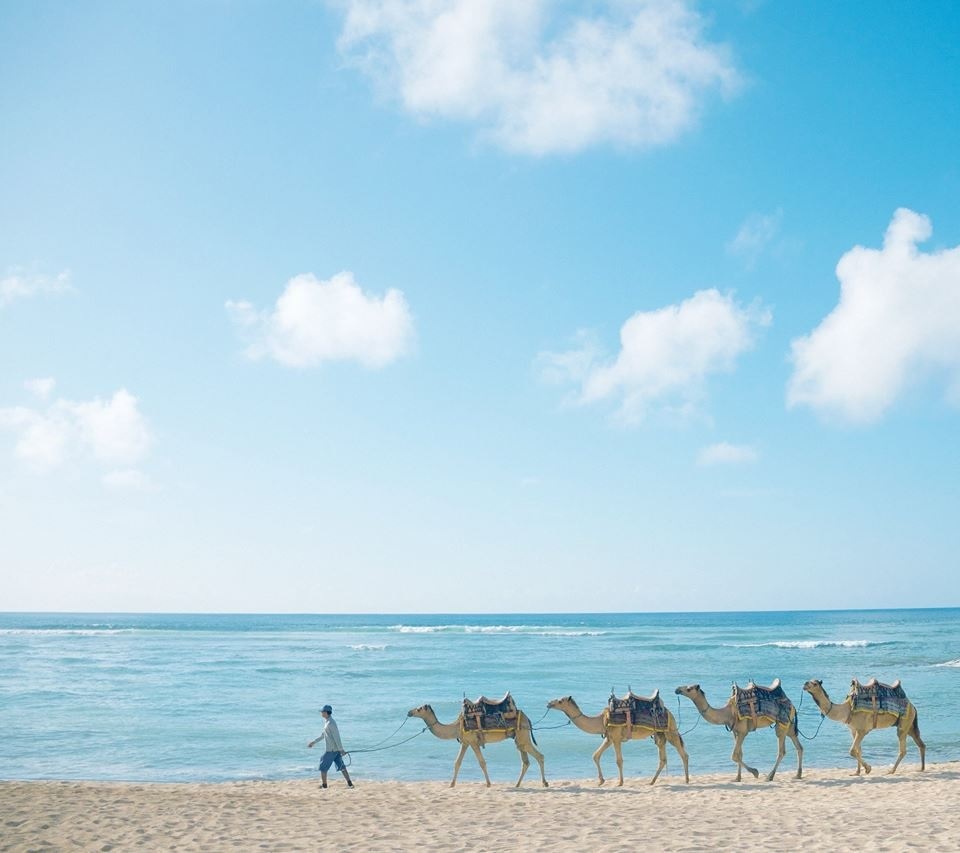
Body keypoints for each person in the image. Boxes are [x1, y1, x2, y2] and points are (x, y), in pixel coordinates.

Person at [308, 704, 354, 788]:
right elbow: (323, 735)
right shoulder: (327, 722)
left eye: (322, 711)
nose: (321, 713)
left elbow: (337, 737)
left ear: (326, 712)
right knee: (342, 767)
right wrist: (313, 742)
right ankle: (350, 784)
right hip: (335, 750)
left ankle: (324, 785)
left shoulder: (331, 723)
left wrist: (341, 749)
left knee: (323, 767)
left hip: (331, 750)